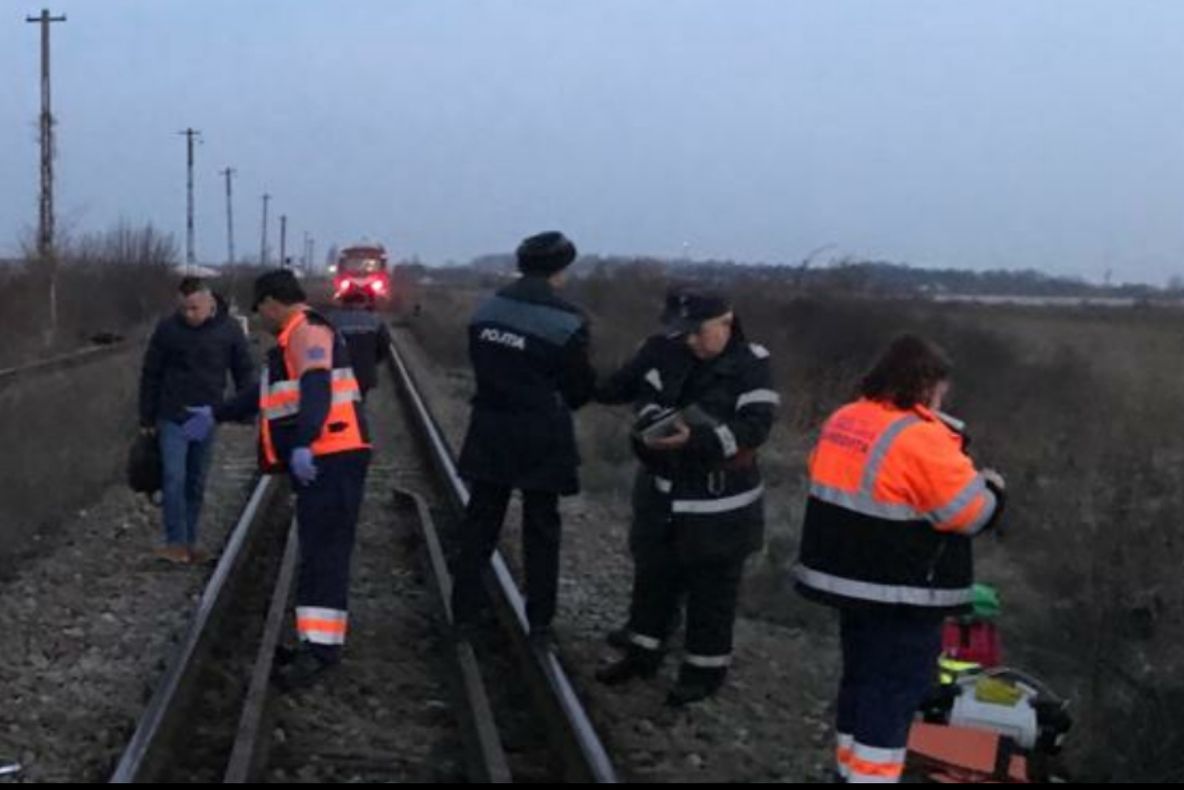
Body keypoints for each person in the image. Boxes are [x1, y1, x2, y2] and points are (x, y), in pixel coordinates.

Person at [793, 333, 1006, 784]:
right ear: (927, 383)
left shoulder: (846, 418)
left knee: (860, 684)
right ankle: (871, 778)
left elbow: (839, 478)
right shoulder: (921, 437)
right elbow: (971, 513)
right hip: (901, 590)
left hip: (845, 582)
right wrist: (993, 488)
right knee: (893, 693)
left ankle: (847, 772)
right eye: (941, 389)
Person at [182, 269, 371, 689]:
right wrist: (217, 412)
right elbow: (263, 397)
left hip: (331, 455)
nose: (261, 318)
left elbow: (318, 389)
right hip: (324, 457)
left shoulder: (307, 334)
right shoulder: (292, 340)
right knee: (319, 549)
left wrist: (303, 442)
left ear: (272, 302)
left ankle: (321, 651)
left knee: (325, 552)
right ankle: (315, 642)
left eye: (261, 309)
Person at [595, 286, 779, 706]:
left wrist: (696, 438)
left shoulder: (752, 364)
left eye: (700, 332)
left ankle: (703, 674)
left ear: (726, 323)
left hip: (720, 503)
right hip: (661, 495)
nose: (692, 341)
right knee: (653, 579)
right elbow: (622, 387)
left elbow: (756, 427)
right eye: (685, 332)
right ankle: (642, 654)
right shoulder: (663, 349)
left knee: (712, 594)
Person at [450, 231, 596, 646]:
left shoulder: (487, 310)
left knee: (480, 522)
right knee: (541, 528)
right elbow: (579, 388)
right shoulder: (568, 320)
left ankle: (463, 615)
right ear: (561, 271)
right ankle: (540, 624)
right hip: (542, 434)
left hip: (491, 427)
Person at [138, 276, 253, 564]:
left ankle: (190, 539)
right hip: (172, 414)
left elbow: (243, 371)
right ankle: (175, 541)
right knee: (173, 478)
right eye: (184, 309)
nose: (189, 315)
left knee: (196, 480)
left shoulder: (229, 330)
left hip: (206, 416)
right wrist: (147, 416)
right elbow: (151, 373)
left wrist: (245, 408)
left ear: (209, 303)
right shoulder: (167, 329)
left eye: (194, 308)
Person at [325, 289, 393, 399]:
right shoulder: (375, 320)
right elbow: (385, 345)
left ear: (343, 302)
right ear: (364, 302)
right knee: (360, 402)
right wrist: (372, 360)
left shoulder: (331, 319)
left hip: (339, 373)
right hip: (365, 373)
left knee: (342, 405)